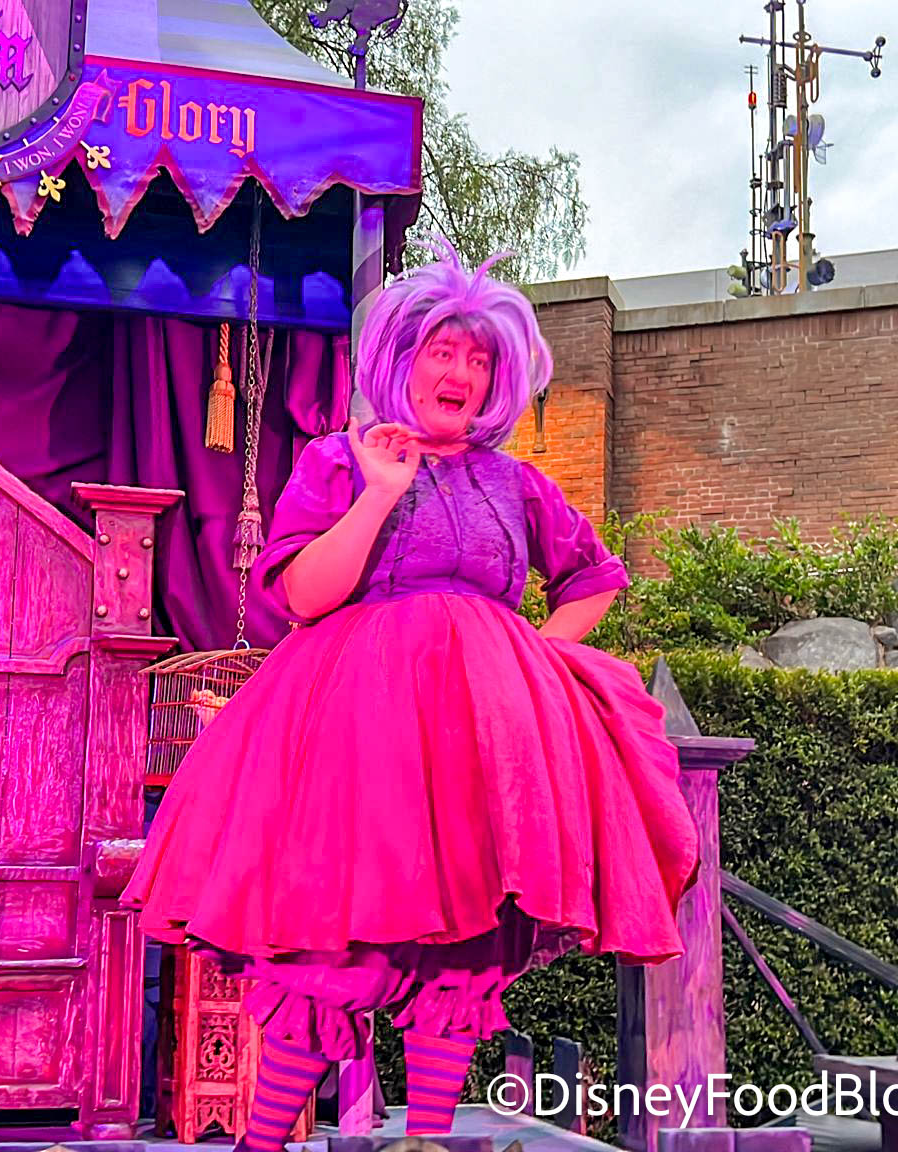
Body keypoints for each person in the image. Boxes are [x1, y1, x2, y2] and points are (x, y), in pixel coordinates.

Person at [122, 244, 699, 1150]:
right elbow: (303, 594)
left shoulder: (517, 483)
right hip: (358, 734)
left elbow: (592, 579)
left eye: (478, 359)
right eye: (442, 351)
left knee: (463, 940)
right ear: (404, 358)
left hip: (478, 749)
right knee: (331, 937)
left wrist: (534, 671)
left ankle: (427, 1141)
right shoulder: (341, 460)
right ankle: (261, 1144)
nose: (459, 374)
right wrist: (379, 493)